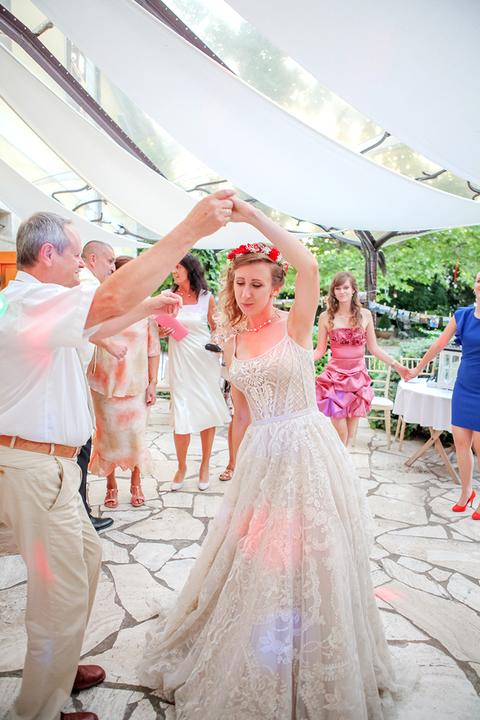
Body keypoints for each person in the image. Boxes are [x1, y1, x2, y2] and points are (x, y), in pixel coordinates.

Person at [139, 201, 397, 719]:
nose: (247, 292)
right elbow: (241, 412)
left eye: (257, 284)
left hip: (306, 448)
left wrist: (252, 217)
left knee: (314, 552)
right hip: (261, 454)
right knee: (257, 554)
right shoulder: (231, 338)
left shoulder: (297, 325)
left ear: (276, 286)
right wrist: (237, 465)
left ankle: (315, 654)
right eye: (240, 283)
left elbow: (311, 265)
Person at [0, 190, 234, 720]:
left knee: (85, 560)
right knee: (58, 594)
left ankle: (59, 667)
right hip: (38, 469)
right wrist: (189, 230)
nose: (83, 266)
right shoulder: (31, 301)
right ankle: (36, 711)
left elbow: (96, 324)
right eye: (77, 256)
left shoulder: (35, 302)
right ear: (49, 254)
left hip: (53, 468)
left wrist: (148, 307)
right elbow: (104, 304)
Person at [88, 256, 160, 508]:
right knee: (107, 437)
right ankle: (111, 486)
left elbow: (153, 350)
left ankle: (136, 484)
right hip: (104, 384)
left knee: (136, 437)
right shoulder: (102, 306)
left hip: (136, 385)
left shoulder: (147, 307)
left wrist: (153, 383)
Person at [407, 270, 480, 519]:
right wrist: (418, 368)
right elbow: (439, 344)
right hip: (464, 387)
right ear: (474, 285)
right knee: (461, 443)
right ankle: (466, 491)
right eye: (479, 280)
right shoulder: (462, 315)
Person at [314, 272, 409, 445]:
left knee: (350, 436)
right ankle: (340, 461)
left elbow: (374, 348)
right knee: (341, 434)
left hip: (357, 380)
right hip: (336, 379)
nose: (342, 292)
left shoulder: (365, 315)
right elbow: (320, 350)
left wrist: (398, 366)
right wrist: (299, 360)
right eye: (337, 288)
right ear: (333, 291)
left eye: (345, 287)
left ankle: (343, 462)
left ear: (353, 290)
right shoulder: (325, 317)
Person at [164, 253, 230, 492]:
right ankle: (181, 467)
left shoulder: (206, 297)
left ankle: (204, 466)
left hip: (203, 359)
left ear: (189, 269)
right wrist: (163, 330)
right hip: (180, 358)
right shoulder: (169, 297)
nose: (174, 271)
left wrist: (218, 345)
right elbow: (161, 329)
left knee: (206, 409)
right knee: (181, 410)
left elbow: (216, 328)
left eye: (177, 267)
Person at [77, 240, 117, 532]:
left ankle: (82, 511)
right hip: (73, 377)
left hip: (75, 375)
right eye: (109, 261)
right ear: (92, 259)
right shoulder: (88, 285)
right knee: (81, 445)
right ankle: (82, 515)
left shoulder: (83, 283)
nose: (113, 268)